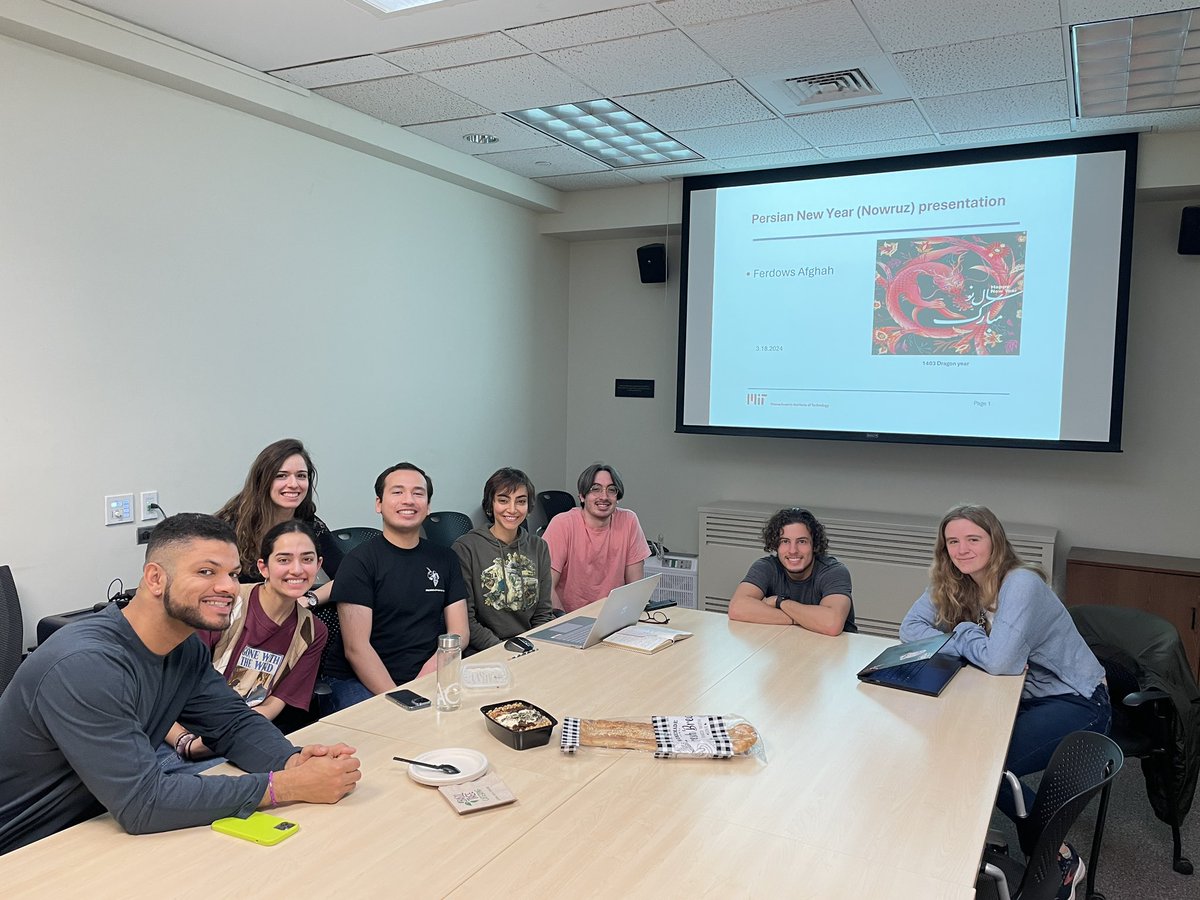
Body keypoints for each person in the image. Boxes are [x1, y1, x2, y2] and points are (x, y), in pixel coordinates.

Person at [0, 514, 361, 856]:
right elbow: (144, 802)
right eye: (206, 572)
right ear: (155, 578)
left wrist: (292, 761)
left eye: (234, 574)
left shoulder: (182, 647)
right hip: (23, 849)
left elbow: (231, 723)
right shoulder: (85, 665)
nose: (228, 587)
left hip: (93, 827)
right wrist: (286, 786)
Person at [899, 504, 1109, 898]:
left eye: (973, 539)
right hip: (1018, 696)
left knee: (980, 764)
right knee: (952, 749)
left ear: (995, 541)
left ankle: (1060, 855)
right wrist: (975, 640)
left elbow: (1001, 662)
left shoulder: (1021, 583)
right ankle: (969, 840)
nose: (962, 550)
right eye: (953, 542)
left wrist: (961, 631)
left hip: (1077, 700)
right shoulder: (956, 581)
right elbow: (909, 629)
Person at [160, 520, 330, 770]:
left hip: (242, 733)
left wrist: (235, 734)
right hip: (177, 737)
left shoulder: (313, 631)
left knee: (307, 772)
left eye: (307, 559)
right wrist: (185, 741)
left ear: (318, 565)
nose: (297, 570)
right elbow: (163, 690)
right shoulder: (224, 604)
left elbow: (274, 703)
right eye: (283, 560)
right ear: (263, 567)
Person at [320, 462, 469, 712]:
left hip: (428, 669)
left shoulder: (445, 558)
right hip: (359, 678)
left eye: (418, 493)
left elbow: (459, 633)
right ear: (379, 504)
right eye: (397, 492)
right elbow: (357, 649)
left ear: (428, 505)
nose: (408, 500)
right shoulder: (359, 561)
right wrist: (402, 696)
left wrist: (431, 672)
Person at [216, 438, 343, 605]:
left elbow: (348, 575)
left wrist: (311, 599)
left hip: (290, 614)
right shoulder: (230, 525)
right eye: (281, 476)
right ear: (262, 480)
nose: (293, 484)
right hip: (240, 617)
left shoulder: (308, 522)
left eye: (301, 476)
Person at [453, 467, 553, 653]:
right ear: (490, 504)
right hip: (485, 649)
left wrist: (533, 649)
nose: (512, 509)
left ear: (529, 507)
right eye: (503, 500)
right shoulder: (466, 548)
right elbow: (467, 620)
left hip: (529, 646)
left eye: (521, 501)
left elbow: (543, 612)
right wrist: (501, 650)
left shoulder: (539, 547)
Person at [542, 462, 651, 613]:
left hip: (614, 619)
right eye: (595, 489)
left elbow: (635, 588)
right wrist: (565, 624)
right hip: (569, 619)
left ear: (617, 497)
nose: (604, 497)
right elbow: (546, 587)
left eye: (611, 490)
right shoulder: (562, 524)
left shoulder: (629, 521)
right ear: (581, 495)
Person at [727, 507, 856, 635]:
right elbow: (737, 608)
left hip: (835, 650)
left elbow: (831, 624)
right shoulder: (766, 567)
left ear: (814, 545)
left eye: (801, 541)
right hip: (789, 644)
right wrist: (804, 620)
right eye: (785, 541)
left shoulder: (833, 571)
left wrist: (780, 602)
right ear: (775, 545)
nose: (793, 550)